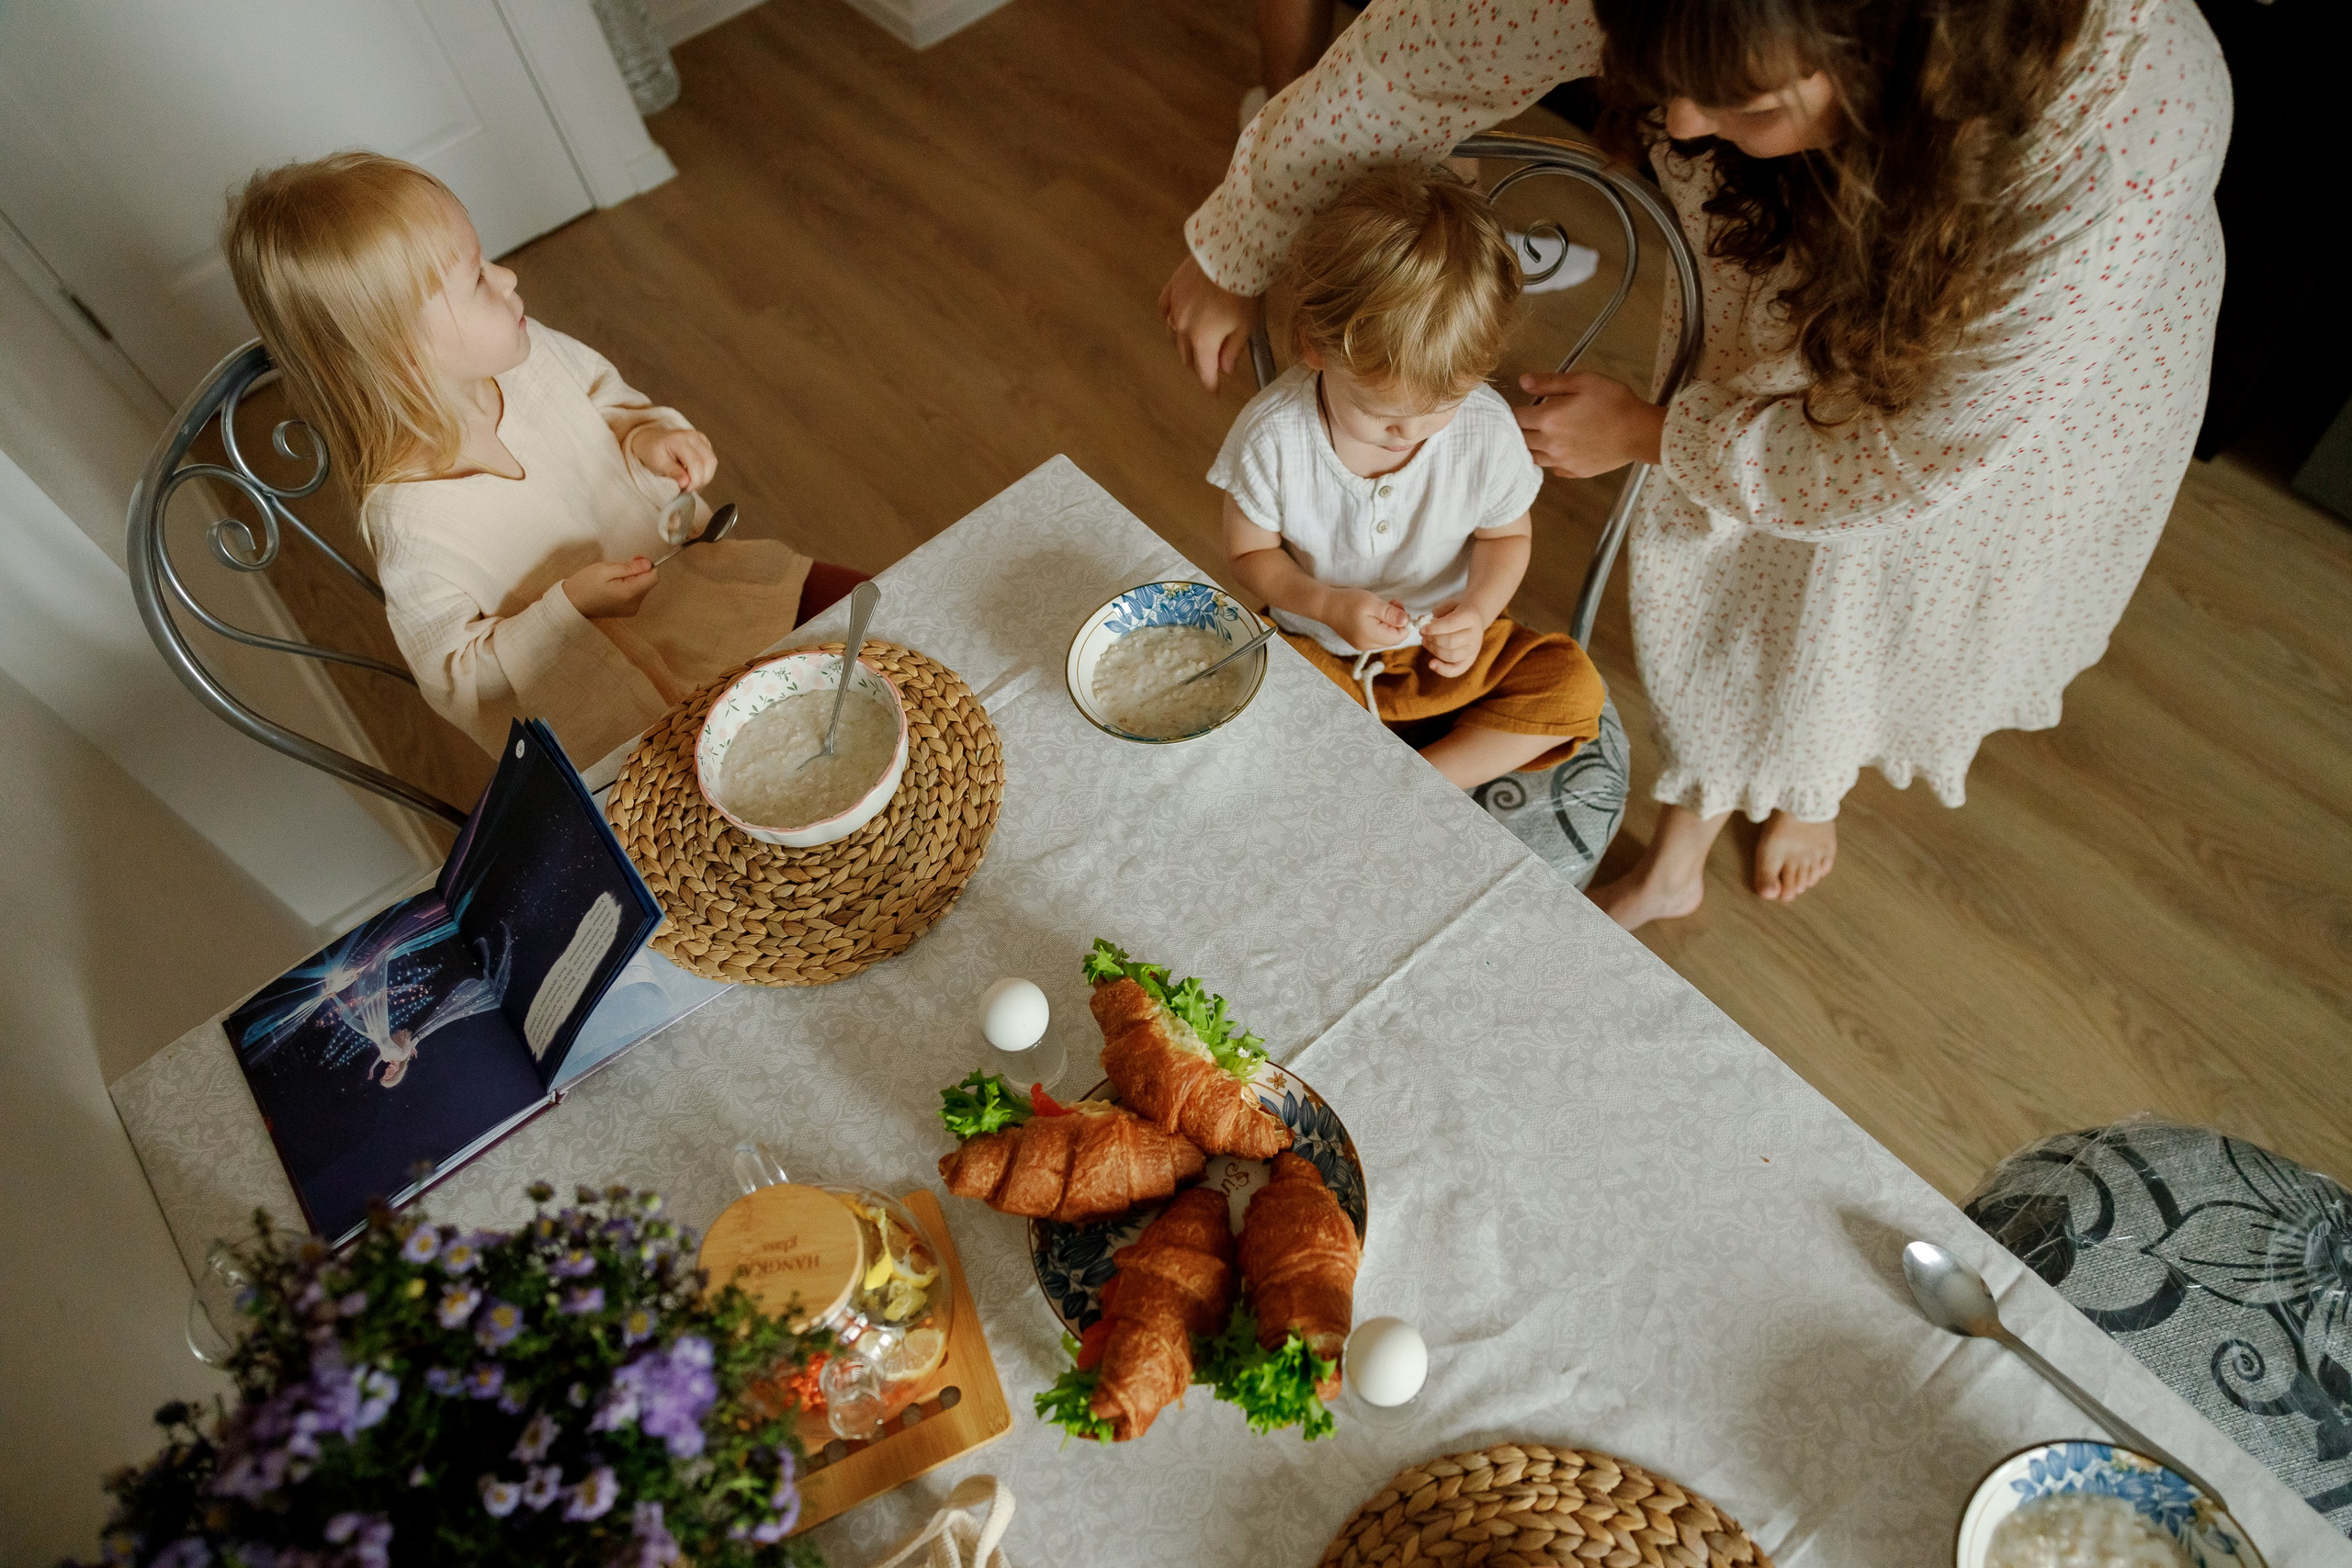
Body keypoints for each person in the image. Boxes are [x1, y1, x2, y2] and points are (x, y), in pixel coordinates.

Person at [1161, 0, 2228, 930]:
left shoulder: (2125, 124)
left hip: (1977, 386)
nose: (1674, 125)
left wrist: (1646, 436)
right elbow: (1412, 57)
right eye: (1666, 79)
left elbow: (1891, 464)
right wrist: (1236, 240)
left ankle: (1801, 782)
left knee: (1856, 612)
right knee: (1727, 581)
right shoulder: (1281, 435)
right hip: (1772, 275)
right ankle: (1684, 842)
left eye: (1742, 103)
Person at [222, 152, 867, 767]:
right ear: (403, 355)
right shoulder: (414, 525)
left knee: (884, 620)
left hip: (709, 602)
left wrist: (649, 439)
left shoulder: (532, 356)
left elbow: (611, 405)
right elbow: (459, 677)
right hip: (626, 718)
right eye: (476, 278)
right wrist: (567, 608)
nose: (507, 277)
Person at [1212, 165, 1604, 793]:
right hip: (1324, 648)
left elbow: (1506, 539)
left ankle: (1415, 786)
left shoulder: (1483, 428)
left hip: (1446, 650)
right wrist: (1327, 605)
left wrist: (1475, 612)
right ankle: (1380, 776)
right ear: (1315, 346)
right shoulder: (1274, 436)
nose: (1409, 434)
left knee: (1574, 686)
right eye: (1381, 413)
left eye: (1439, 407)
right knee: (1245, 705)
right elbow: (1250, 553)